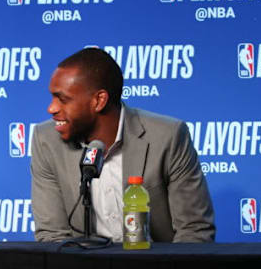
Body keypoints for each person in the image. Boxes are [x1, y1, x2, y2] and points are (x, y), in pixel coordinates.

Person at [31, 48, 215, 243]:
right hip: (85, 267)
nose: (51, 108)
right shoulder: (46, 140)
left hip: (158, 266)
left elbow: (194, 231)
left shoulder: (168, 136)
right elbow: (52, 236)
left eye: (63, 99)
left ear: (99, 101)